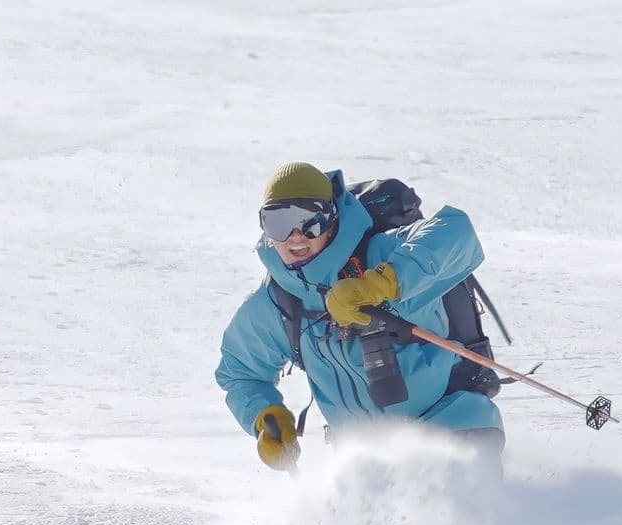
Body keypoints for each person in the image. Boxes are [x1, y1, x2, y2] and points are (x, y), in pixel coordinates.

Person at [214, 161, 504, 472]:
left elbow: (457, 233)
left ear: (332, 218)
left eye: (310, 220)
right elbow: (241, 373)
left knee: (448, 512)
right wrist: (265, 415)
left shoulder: (379, 255)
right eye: (278, 222)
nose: (295, 235)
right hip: (365, 461)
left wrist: (382, 283)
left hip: (454, 426)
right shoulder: (278, 302)